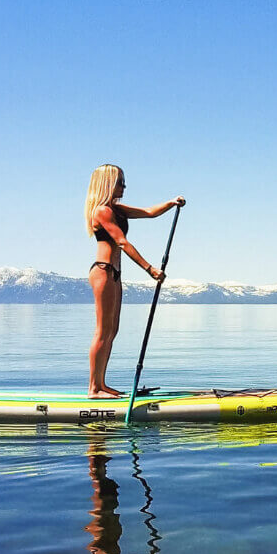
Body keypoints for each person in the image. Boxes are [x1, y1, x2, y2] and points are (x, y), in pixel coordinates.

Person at [83, 164, 184, 398]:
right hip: (103, 271)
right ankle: (94, 388)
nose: (124, 186)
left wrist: (171, 203)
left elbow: (149, 212)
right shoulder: (102, 211)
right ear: (107, 184)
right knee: (102, 331)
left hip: (114, 273)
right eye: (120, 182)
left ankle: (102, 384)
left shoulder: (116, 210)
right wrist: (150, 269)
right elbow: (122, 242)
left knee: (112, 331)